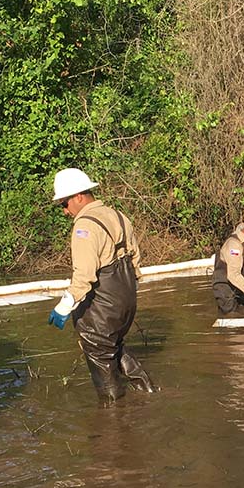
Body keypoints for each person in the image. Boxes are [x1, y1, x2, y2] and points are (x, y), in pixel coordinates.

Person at [48, 168, 157, 402]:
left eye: (64, 204)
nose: (65, 211)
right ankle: (148, 391)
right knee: (113, 345)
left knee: (99, 350)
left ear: (79, 196)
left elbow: (84, 275)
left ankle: (113, 414)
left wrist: (64, 306)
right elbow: (135, 261)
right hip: (126, 302)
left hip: (103, 308)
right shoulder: (119, 216)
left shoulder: (84, 226)